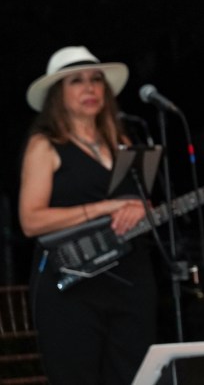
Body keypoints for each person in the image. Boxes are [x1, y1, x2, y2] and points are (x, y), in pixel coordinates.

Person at [19, 45, 157, 385]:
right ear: (57, 95)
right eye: (76, 81)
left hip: (129, 278)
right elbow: (30, 221)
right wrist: (103, 207)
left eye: (96, 79)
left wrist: (142, 208)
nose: (90, 88)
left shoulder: (124, 139)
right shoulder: (46, 145)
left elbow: (140, 205)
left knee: (135, 375)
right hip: (71, 281)